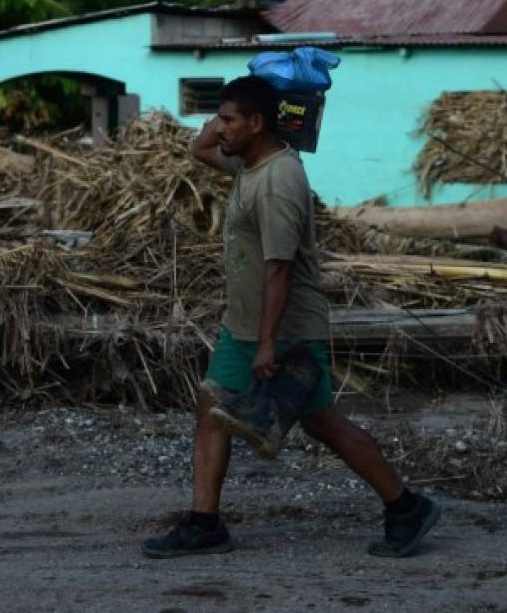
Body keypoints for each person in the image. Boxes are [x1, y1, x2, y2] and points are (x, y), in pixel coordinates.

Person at [142, 75, 439, 559]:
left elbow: (278, 269)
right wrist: (219, 123)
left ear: (257, 124)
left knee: (324, 424)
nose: (220, 128)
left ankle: (407, 507)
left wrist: (266, 345)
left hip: (283, 330)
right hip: (244, 324)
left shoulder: (280, 180)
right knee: (211, 411)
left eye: (230, 119)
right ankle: (204, 523)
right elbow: (199, 151)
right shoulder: (248, 166)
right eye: (220, 117)